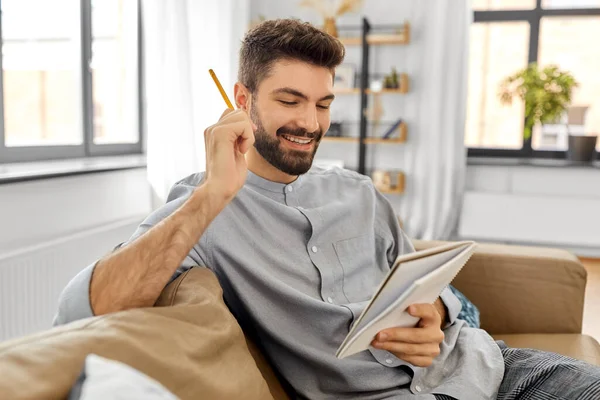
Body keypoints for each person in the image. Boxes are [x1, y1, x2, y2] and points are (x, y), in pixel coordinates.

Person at [55, 19, 600, 399]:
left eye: (322, 103)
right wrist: (214, 194)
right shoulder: (204, 207)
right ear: (242, 101)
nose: (311, 123)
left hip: (493, 368)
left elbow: (419, 282)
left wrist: (434, 313)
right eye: (289, 101)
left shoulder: (358, 192)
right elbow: (84, 307)